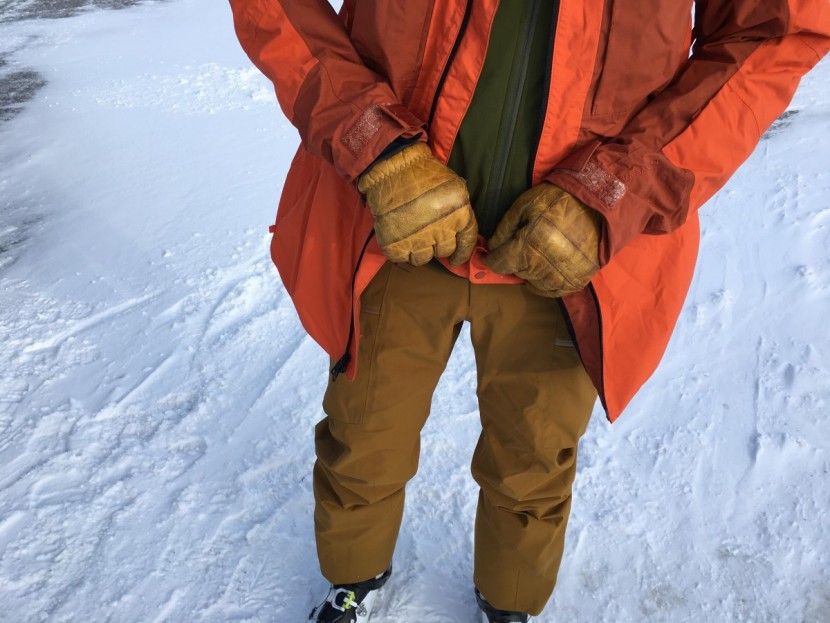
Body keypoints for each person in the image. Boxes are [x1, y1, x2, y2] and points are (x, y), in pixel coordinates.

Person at [229, 1, 829, 621]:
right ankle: (354, 574)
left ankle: (509, 600)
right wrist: (373, 144)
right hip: (396, 225)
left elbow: (775, 32)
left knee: (534, 457)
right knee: (363, 432)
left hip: (571, 253)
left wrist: (616, 193)